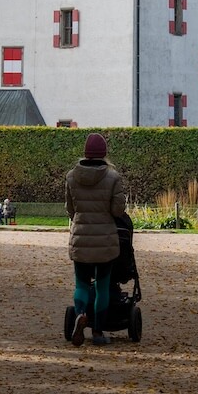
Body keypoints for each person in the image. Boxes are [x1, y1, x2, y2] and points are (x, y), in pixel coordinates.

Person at [65, 132, 126, 346]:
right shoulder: (113, 177)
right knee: (102, 285)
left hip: (81, 239)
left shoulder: (72, 176)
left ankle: (81, 313)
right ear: (104, 153)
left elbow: (70, 210)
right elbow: (117, 211)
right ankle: (98, 332)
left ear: (85, 153)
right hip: (105, 241)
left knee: (81, 283)